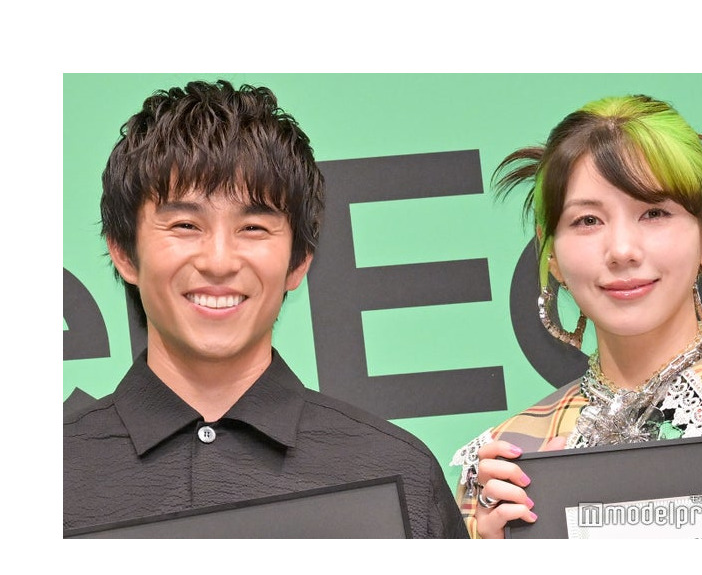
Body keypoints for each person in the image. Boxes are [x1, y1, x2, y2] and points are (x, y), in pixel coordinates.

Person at [63, 79, 468, 539]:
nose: (219, 262)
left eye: (253, 227)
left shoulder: (400, 471)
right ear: (123, 252)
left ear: (299, 262)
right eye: (185, 225)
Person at [451, 94, 702, 539]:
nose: (622, 250)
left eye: (654, 212)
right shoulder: (503, 467)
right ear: (552, 254)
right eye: (587, 221)